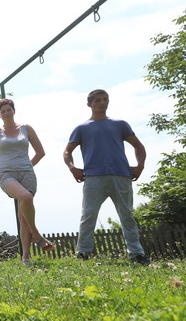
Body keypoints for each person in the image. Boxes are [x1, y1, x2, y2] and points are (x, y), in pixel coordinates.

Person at [63, 89, 150, 265]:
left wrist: (140, 166)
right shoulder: (82, 128)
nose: (102, 102)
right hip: (93, 177)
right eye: (98, 100)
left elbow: (138, 146)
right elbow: (67, 151)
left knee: (127, 215)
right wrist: (73, 168)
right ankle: (83, 254)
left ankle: (137, 254)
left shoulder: (120, 124)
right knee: (88, 215)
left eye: (105, 99)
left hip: (121, 176)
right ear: (90, 104)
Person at [0, 98, 56, 266]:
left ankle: (25, 257)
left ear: (13, 111)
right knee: (26, 197)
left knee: (23, 217)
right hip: (5, 174)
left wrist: (26, 165)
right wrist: (0, 169)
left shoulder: (26, 129)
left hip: (27, 173)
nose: (6, 113)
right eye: (3, 111)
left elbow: (40, 152)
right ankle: (37, 235)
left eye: (9, 109)